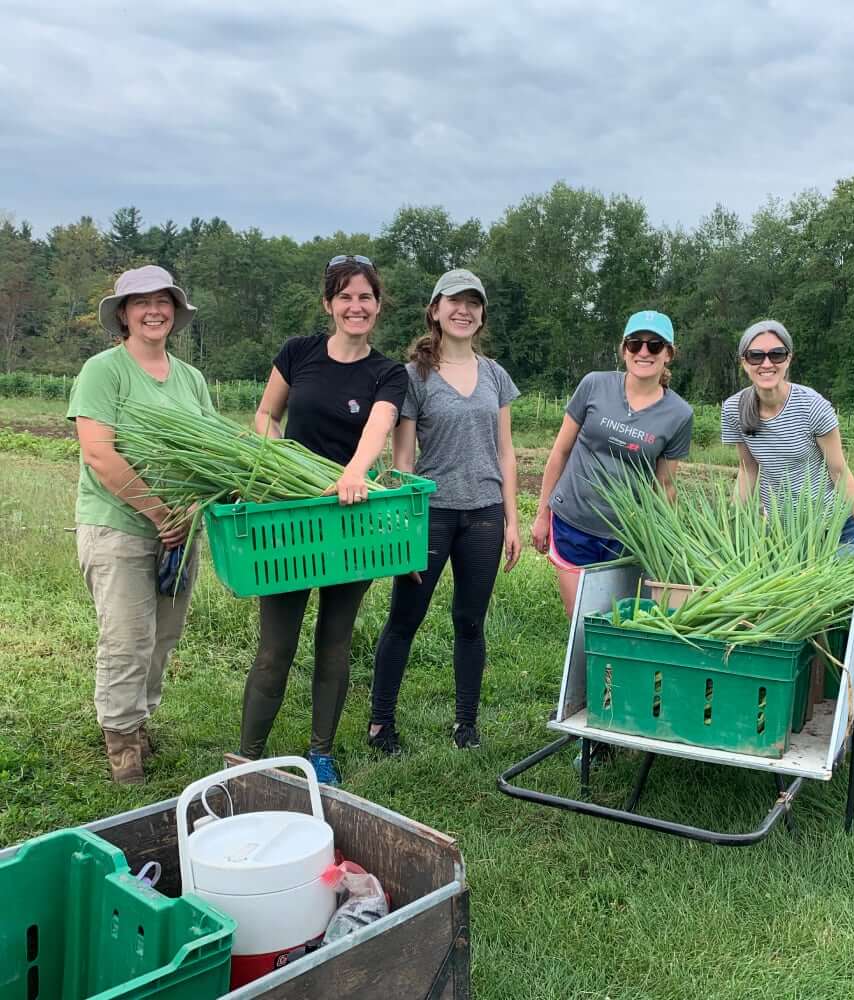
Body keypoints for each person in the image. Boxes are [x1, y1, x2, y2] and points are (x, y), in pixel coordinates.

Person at [241, 254, 408, 785]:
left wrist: (353, 475)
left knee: (335, 640)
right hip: (289, 516)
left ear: (378, 306)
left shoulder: (388, 372)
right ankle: (247, 756)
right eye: (345, 296)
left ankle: (321, 752)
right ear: (328, 304)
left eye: (365, 297)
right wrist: (291, 465)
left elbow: (378, 429)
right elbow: (267, 416)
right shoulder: (298, 354)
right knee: (276, 644)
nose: (355, 306)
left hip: (350, 519)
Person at [367, 269, 521, 755]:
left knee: (471, 621)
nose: (464, 311)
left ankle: (466, 723)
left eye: (473, 303)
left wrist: (512, 520)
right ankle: (380, 723)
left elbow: (506, 452)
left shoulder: (495, 375)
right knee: (404, 619)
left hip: (484, 515)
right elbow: (403, 459)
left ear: (481, 315)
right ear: (434, 310)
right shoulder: (414, 377)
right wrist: (403, 527)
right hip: (430, 514)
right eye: (454, 301)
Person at [69, 265, 212, 784]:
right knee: (128, 637)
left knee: (162, 636)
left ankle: (138, 717)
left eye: (164, 301)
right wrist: (158, 512)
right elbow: (99, 455)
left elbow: (209, 453)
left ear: (175, 312)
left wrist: (194, 508)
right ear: (124, 315)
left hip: (180, 530)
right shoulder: (103, 371)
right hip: (121, 526)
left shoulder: (190, 379)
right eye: (141, 302)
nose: (154, 310)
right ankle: (122, 742)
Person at [531, 310, 694, 617]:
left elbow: (665, 486)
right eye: (635, 344)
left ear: (668, 354)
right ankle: (581, 666)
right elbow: (559, 452)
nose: (643, 352)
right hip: (572, 523)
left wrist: (664, 544)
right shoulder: (594, 385)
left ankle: (606, 667)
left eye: (654, 345)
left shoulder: (679, 414)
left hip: (625, 536)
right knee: (579, 619)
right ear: (624, 349)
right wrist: (542, 514)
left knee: (615, 620)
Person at [721, 319, 854, 552]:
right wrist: (732, 526)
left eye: (776, 354)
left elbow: (838, 470)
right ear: (744, 362)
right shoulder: (734, 409)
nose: (766, 363)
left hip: (834, 524)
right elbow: (748, 470)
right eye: (756, 356)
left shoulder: (811, 405)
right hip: (783, 532)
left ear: (788, 359)